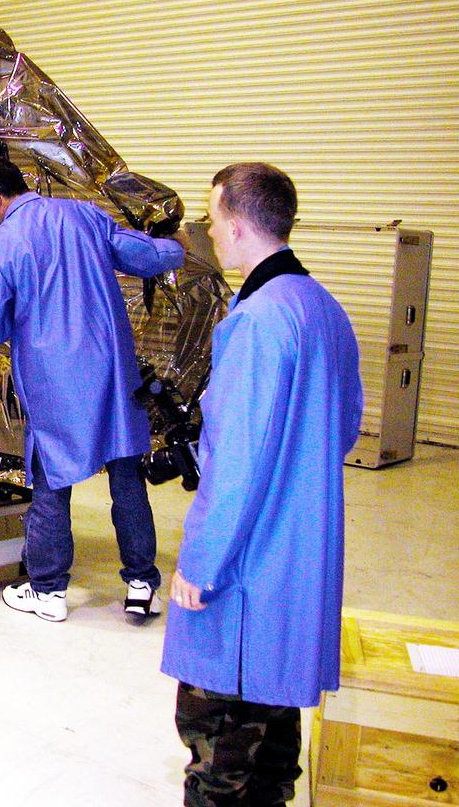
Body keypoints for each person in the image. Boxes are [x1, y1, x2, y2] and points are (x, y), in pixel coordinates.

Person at [161, 163, 361, 806]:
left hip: (246, 567)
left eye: (213, 218)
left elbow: (239, 461)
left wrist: (202, 562)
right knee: (275, 750)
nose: (209, 232)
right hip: (298, 562)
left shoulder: (258, 321)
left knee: (219, 746)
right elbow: (345, 426)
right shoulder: (323, 308)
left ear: (240, 224)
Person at [0, 157, 185, 623]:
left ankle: (48, 591)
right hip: (114, 376)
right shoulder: (84, 215)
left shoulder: (1, 249)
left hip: (55, 381)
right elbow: (150, 256)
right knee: (127, 478)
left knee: (52, 482)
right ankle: (141, 585)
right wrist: (179, 246)